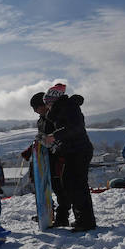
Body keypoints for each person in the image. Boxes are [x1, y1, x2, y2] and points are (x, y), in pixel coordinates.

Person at [42, 83, 97, 232]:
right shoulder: (61, 110)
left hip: (79, 151)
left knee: (77, 185)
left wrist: (54, 136)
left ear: (53, 100)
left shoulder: (69, 107)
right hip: (73, 151)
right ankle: (82, 218)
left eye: (47, 101)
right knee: (70, 183)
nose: (46, 105)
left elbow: (74, 128)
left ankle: (86, 221)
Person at [22, 92, 66, 204]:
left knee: (58, 188)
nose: (35, 111)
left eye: (36, 107)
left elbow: (57, 136)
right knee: (40, 185)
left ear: (44, 105)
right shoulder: (40, 121)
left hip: (56, 158)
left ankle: (62, 215)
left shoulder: (54, 118)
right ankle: (47, 208)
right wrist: (30, 150)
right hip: (44, 157)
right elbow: (41, 137)